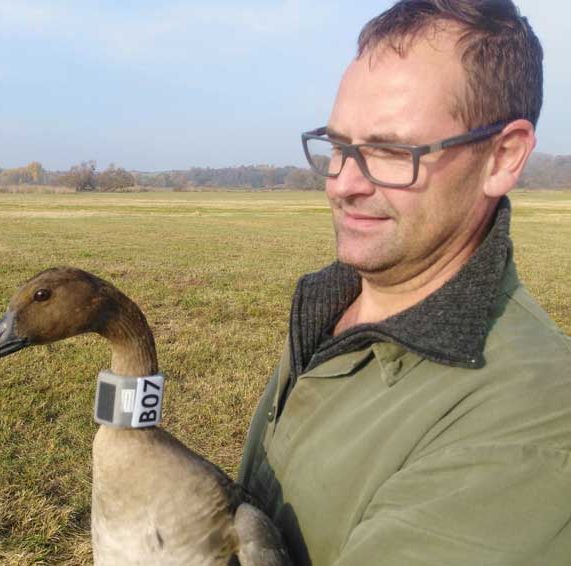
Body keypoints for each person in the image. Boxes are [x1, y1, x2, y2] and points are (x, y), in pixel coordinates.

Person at [239, 1, 571, 564]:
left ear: (504, 157)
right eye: (340, 146)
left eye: (391, 152)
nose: (342, 184)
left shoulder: (530, 428)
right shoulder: (339, 303)